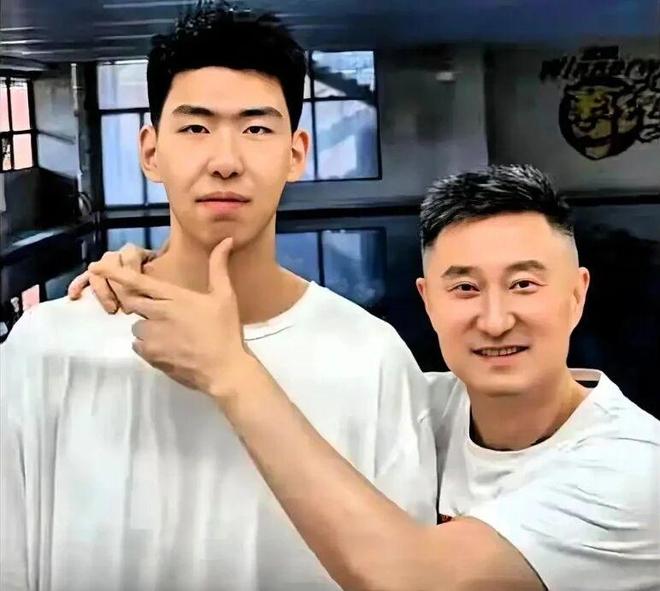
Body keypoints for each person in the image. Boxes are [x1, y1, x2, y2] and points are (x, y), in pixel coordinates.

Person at [0, 4, 438, 591]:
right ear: (151, 151)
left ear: (296, 153)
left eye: (256, 129)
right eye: (195, 128)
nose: (226, 162)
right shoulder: (49, 347)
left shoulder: (370, 358)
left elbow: (408, 571)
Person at [83, 165, 660, 591]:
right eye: (464, 288)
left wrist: (230, 372)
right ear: (427, 301)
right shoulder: (415, 402)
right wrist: (151, 276)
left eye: (524, 285)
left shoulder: (634, 466)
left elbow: (417, 581)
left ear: (577, 294)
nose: (494, 319)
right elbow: (283, 395)